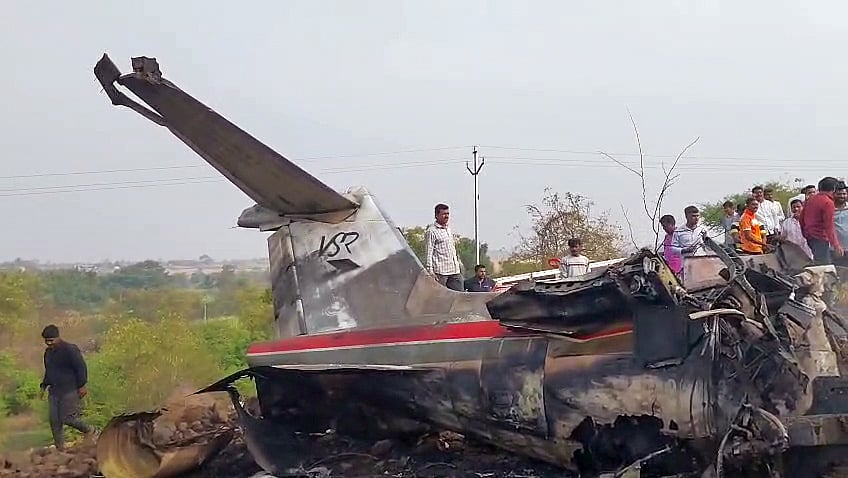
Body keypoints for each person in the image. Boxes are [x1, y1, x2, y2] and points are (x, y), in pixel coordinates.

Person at [39, 325, 95, 451]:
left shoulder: (70, 349)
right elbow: (49, 371)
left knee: (68, 418)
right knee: (54, 420)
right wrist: (43, 386)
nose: (49, 343)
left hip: (70, 389)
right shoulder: (48, 353)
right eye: (46, 341)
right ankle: (60, 448)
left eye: (51, 340)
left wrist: (82, 385)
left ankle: (89, 430)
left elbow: (81, 367)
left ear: (58, 337)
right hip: (54, 391)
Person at [800, 177, 844, 265]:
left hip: (810, 236)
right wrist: (836, 245)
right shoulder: (828, 202)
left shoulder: (810, 200)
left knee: (819, 262)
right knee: (824, 266)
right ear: (834, 189)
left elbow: (801, 219)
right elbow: (829, 226)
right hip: (820, 237)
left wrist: (805, 234)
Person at [424, 203, 463, 291]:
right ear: (437, 215)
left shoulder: (448, 229)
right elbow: (428, 252)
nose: (446, 216)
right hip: (441, 272)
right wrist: (430, 271)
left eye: (448, 214)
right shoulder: (432, 231)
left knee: (460, 296)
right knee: (440, 298)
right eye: (444, 214)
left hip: (454, 270)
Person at [833, 183, 848, 265]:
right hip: (835, 250)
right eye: (839, 194)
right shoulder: (829, 209)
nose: (842, 196)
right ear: (834, 194)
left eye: (844, 194)